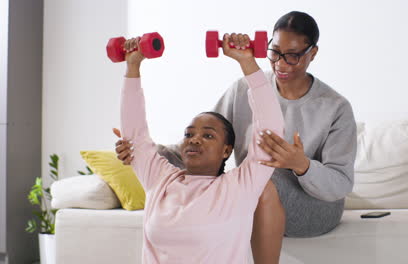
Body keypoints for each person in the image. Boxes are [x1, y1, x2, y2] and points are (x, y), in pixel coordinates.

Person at [115, 11, 357, 264]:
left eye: (293, 56)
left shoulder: (335, 107)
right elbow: (209, 134)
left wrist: (301, 165)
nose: (281, 64)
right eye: (274, 53)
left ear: (313, 53)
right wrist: (140, 151)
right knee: (241, 176)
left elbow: (338, 182)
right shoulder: (241, 90)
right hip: (253, 191)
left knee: (261, 177)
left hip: (314, 204)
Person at [119, 31, 284, 263]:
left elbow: (270, 131)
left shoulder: (240, 186)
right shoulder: (161, 180)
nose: (194, 140)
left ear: (226, 150)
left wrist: (247, 62)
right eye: (189, 134)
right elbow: (134, 135)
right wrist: (133, 65)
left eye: (208, 135)